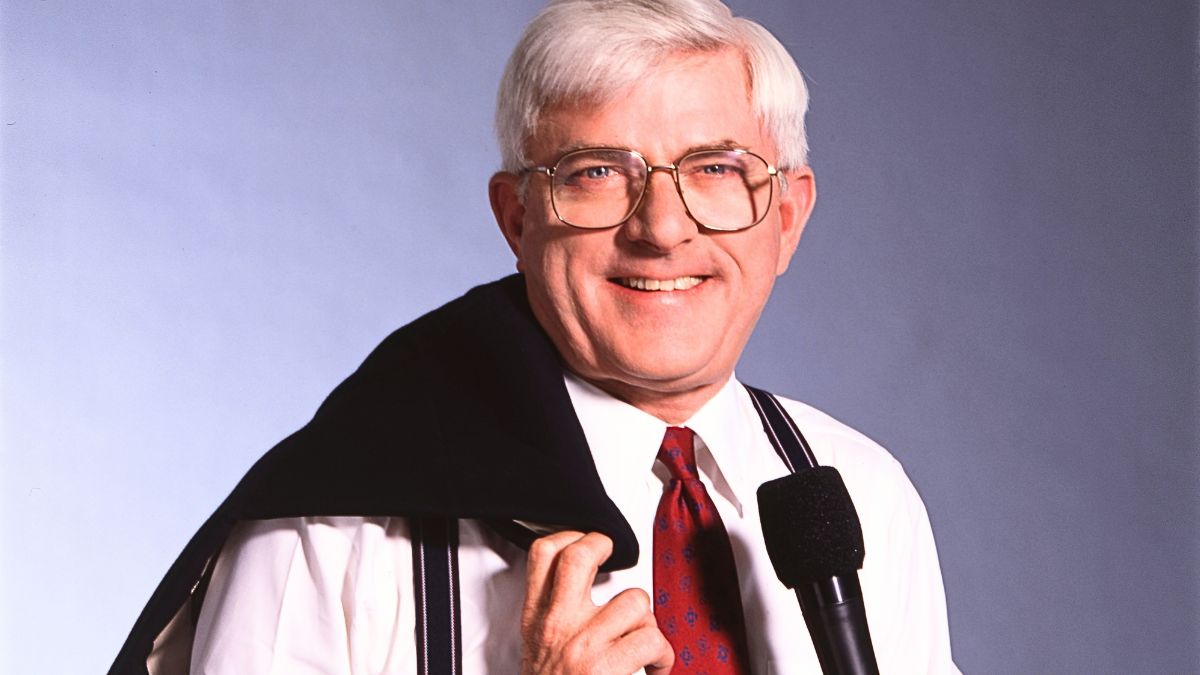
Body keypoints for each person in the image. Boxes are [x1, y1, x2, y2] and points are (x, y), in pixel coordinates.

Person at [111, 1, 958, 673]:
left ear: (789, 217)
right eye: (597, 173)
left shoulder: (865, 501)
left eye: (716, 170)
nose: (663, 228)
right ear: (516, 219)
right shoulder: (329, 535)